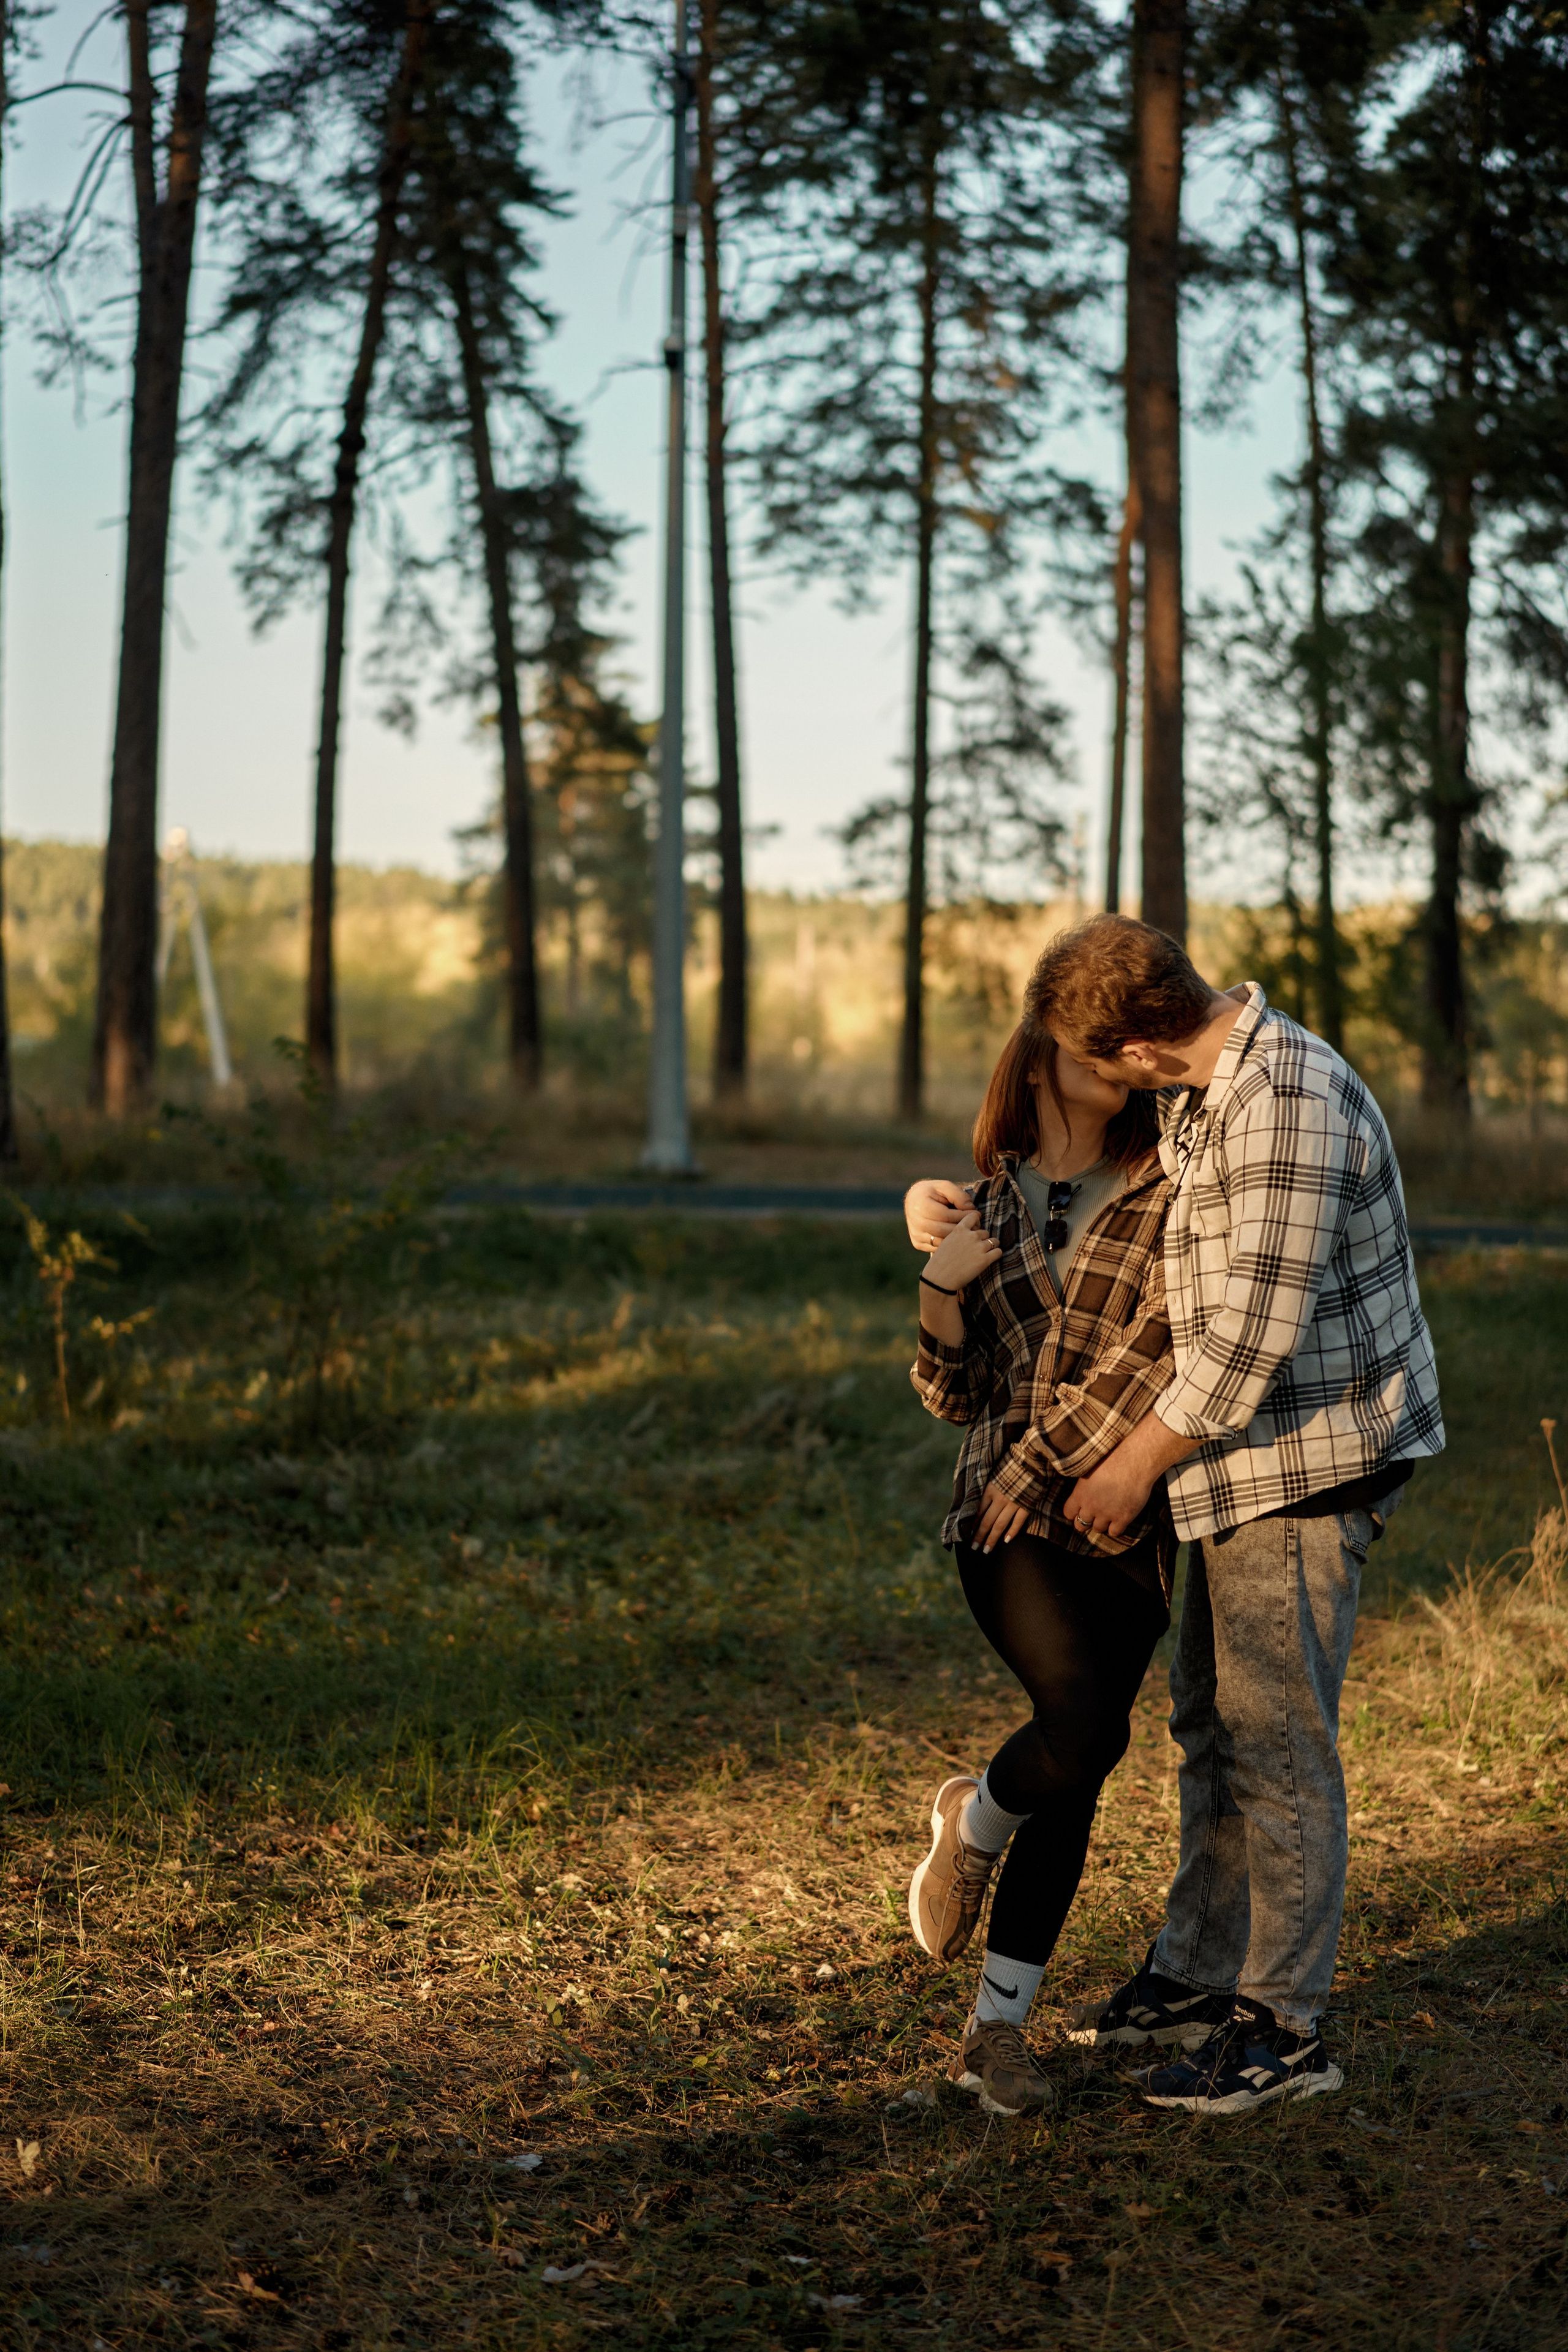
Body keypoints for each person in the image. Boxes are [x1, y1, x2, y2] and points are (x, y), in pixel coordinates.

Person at [906, 914, 1444, 2116]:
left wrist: (1122, 1465)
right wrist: (938, 1241)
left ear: (1139, 1049)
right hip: (1230, 1467)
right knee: (1213, 1724)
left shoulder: (1283, 1099)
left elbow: (1238, 1339)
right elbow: (975, 1356)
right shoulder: (1213, 1086)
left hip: (1301, 1455)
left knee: (1274, 1740)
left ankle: (1282, 2027)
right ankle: (1197, 1975)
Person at [905, 944, 1180, 2118]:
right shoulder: (982, 1199)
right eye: (1091, 1046)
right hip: (1002, 1516)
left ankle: (995, 2028)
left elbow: (1159, 1349)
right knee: (1078, 1719)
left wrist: (1047, 1458)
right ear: (1041, 1057)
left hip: (1123, 1511)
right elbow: (956, 1396)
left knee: (1087, 1753)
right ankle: (975, 1824)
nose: (1118, 1060)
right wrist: (941, 1290)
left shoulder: (1173, 1181)